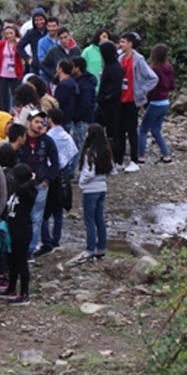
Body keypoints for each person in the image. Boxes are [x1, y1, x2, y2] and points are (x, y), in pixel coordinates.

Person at [0, 163, 38, 304]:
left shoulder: (27, 191)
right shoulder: (17, 191)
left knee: (21, 262)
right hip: (12, 229)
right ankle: (11, 287)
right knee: (11, 260)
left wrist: (31, 179)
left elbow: (27, 188)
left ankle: (24, 294)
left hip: (22, 230)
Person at [18, 107, 59, 256]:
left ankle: (31, 249)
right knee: (21, 216)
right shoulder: (21, 139)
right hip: (22, 186)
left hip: (40, 186)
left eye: (42, 122)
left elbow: (55, 163)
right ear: (28, 122)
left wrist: (47, 180)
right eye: (36, 121)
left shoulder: (47, 141)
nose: (39, 125)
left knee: (36, 218)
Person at [39, 107, 78, 255]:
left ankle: (46, 241)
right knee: (58, 210)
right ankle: (56, 238)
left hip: (49, 174)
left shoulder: (48, 137)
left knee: (44, 211)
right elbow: (73, 152)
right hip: (63, 174)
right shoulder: (66, 136)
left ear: (49, 120)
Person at [117, 32, 158, 172]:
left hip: (132, 100)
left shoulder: (139, 60)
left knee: (132, 131)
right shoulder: (119, 57)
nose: (120, 44)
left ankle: (134, 160)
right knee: (120, 131)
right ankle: (119, 160)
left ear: (130, 44)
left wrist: (141, 91)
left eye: (123, 42)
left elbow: (153, 78)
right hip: (120, 100)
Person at [75, 123, 113, 263]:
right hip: (102, 187)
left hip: (90, 190)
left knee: (89, 220)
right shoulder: (106, 150)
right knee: (100, 219)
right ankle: (101, 248)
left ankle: (90, 248)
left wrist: (81, 182)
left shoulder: (90, 151)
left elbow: (89, 172)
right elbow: (111, 169)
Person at [139, 43, 176, 164]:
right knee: (155, 130)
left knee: (143, 129)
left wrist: (145, 104)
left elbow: (151, 90)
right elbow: (172, 86)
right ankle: (166, 155)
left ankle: (140, 156)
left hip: (155, 103)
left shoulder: (154, 69)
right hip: (165, 102)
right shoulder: (169, 68)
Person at [97, 40, 126, 169]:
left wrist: (104, 99)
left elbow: (115, 90)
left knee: (113, 133)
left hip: (111, 106)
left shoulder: (114, 68)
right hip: (107, 105)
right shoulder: (111, 65)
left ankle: (115, 159)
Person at [0, 24, 24, 112]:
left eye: (11, 33)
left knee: (17, 95)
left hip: (15, 73)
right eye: (7, 34)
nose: (9, 36)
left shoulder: (19, 44)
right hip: (3, 73)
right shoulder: (1, 44)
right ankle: (4, 113)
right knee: (3, 96)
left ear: (15, 33)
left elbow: (23, 56)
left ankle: (17, 112)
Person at [16, 8, 49, 76]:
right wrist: (28, 59)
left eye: (41, 19)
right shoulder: (31, 32)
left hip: (49, 64)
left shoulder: (50, 31)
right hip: (35, 65)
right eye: (36, 20)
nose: (39, 22)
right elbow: (19, 46)